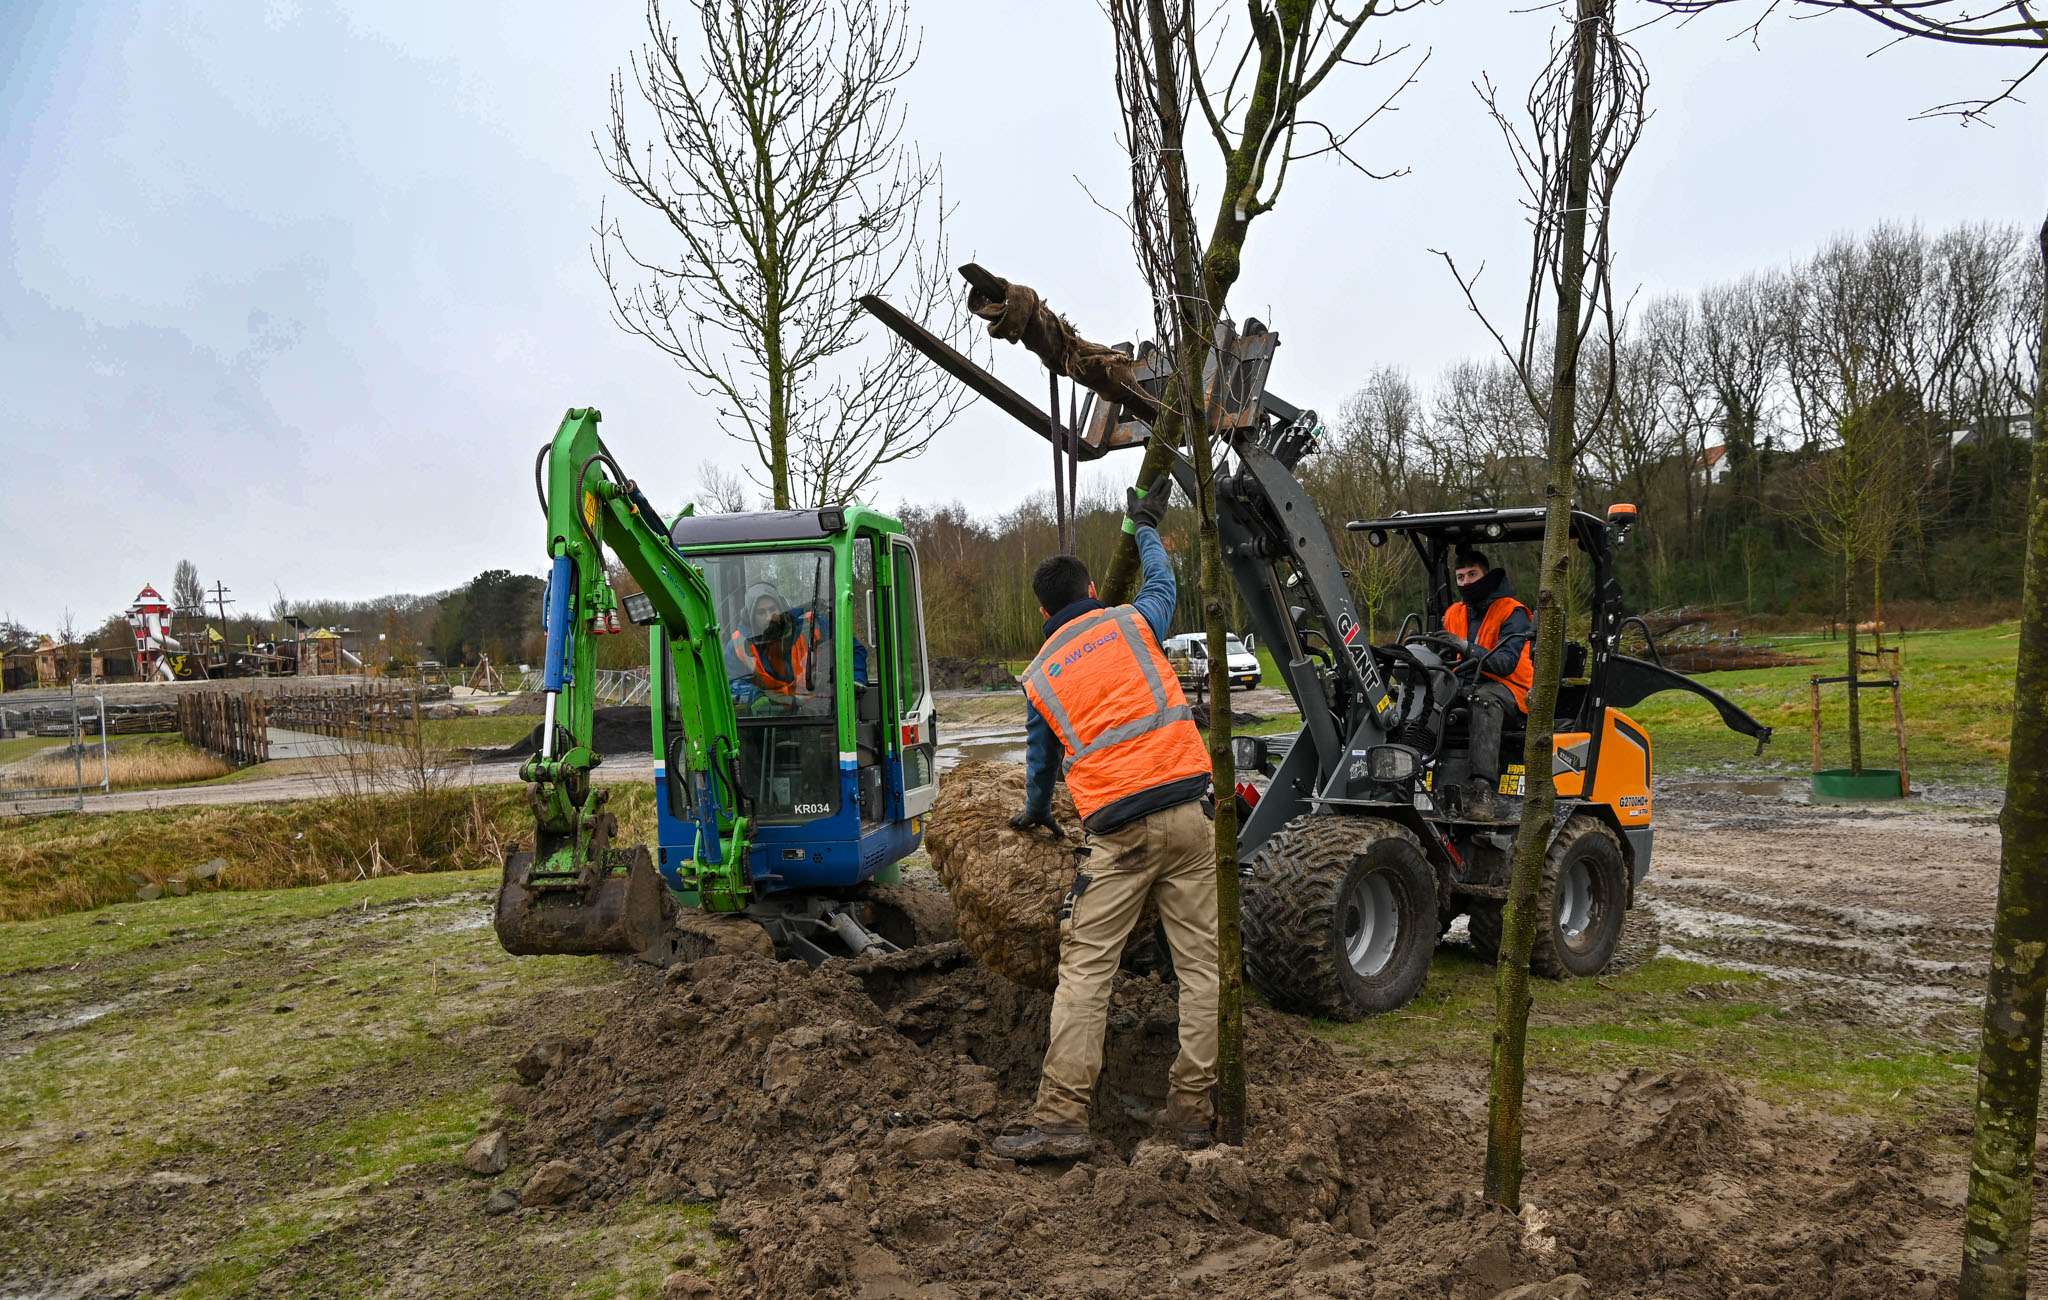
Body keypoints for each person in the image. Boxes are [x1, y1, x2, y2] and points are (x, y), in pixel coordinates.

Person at [994, 482, 1219, 1162]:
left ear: (1040, 611)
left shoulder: (1041, 675)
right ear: (1093, 587)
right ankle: (1190, 1112)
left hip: (1117, 833)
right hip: (1190, 810)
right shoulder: (1132, 621)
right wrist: (1144, 523)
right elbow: (1165, 581)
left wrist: (1035, 817)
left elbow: (1040, 770)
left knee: (1087, 971)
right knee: (1202, 968)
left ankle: (1062, 1119)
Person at [1440, 548, 1534, 820]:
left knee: (1483, 699)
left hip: (1511, 691)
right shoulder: (1453, 613)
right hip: (1464, 684)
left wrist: (1466, 647)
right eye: (1460, 577)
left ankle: (1483, 792)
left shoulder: (1513, 612)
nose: (1466, 582)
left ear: (1486, 575)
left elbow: (1505, 663)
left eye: (1472, 574)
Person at [728, 582, 825, 712]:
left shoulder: (811, 625)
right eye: (761, 612)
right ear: (750, 617)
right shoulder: (738, 643)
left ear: (782, 607)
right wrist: (755, 695)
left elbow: (850, 649)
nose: (769, 617)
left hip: (817, 715)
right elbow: (729, 684)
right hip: (768, 719)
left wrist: (855, 680)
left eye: (773, 609)